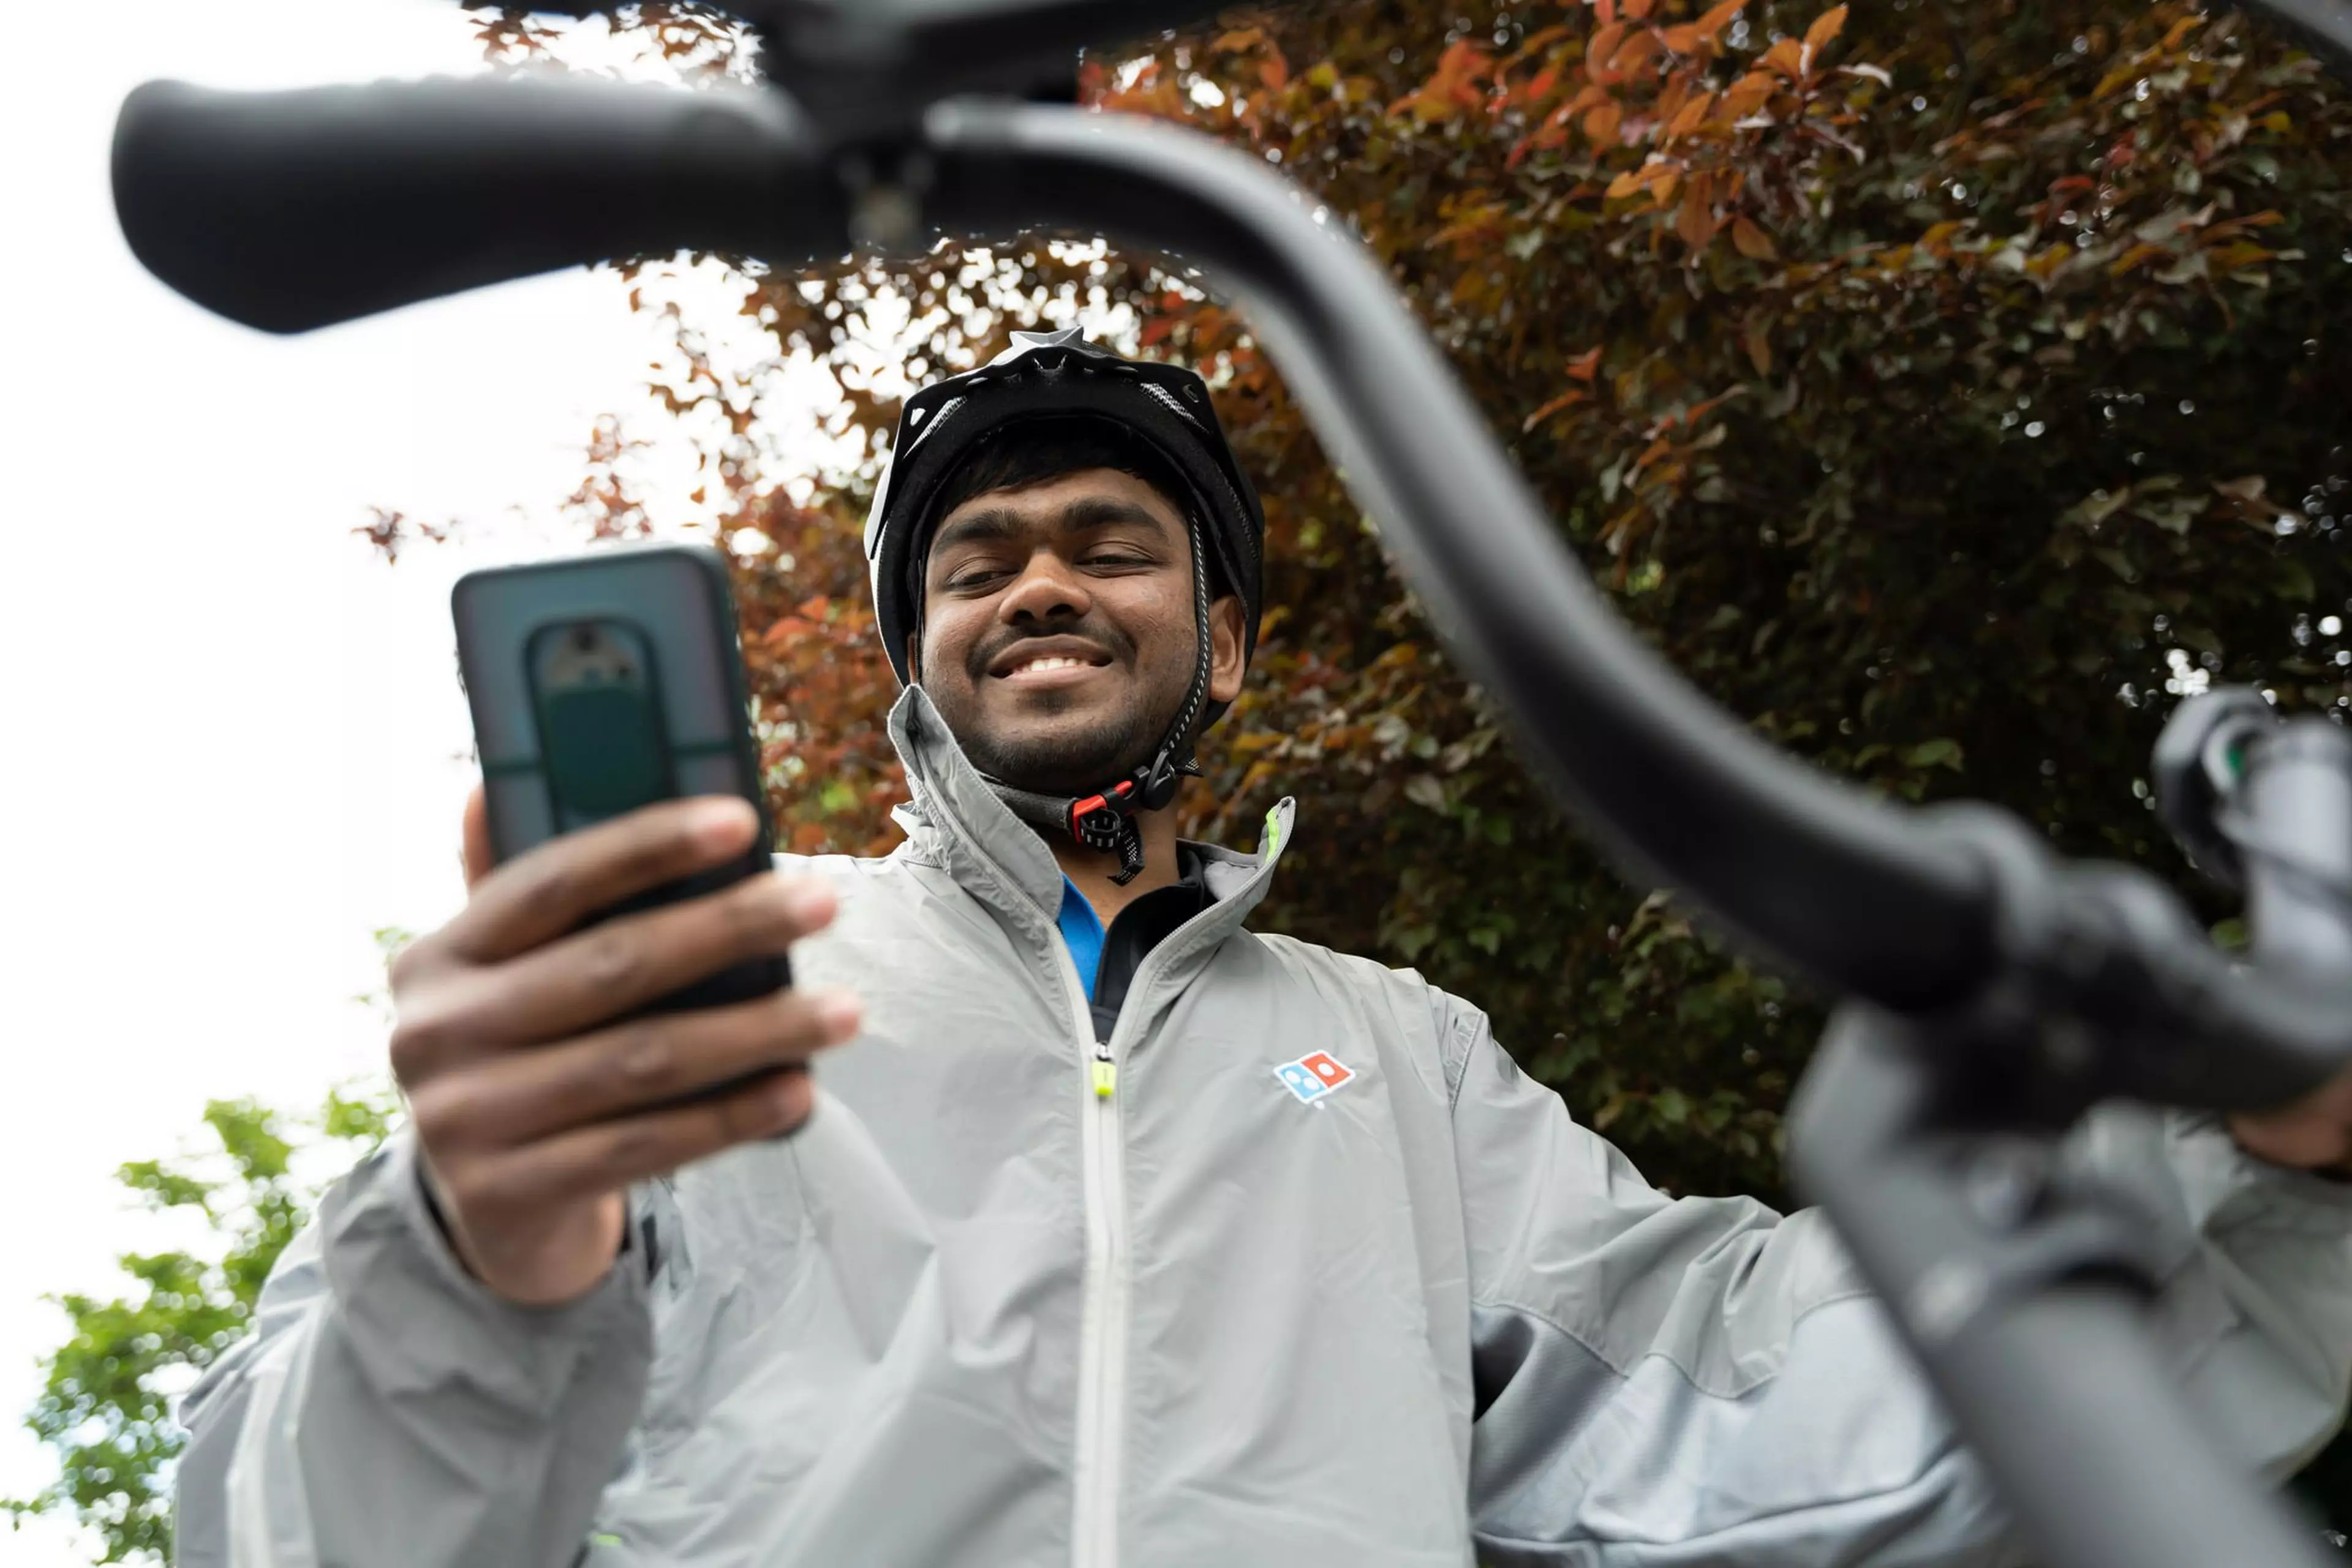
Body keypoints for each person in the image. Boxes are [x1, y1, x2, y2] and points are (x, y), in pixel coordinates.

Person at [175, 329, 2352, 1568]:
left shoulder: (1396, 1056)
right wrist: (480, 1248)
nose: (1039, 582)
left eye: (1112, 544)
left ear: (1221, 639)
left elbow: (1776, 1398)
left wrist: (2269, 1158)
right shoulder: (718, 980)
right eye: (979, 559)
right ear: (914, 658)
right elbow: (289, 1538)